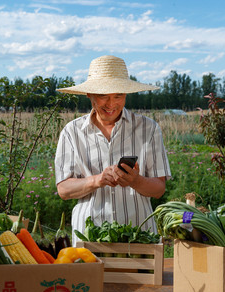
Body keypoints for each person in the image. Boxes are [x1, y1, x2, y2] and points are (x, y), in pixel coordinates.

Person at [55, 55, 172, 245]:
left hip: (139, 236)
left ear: (126, 94)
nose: (111, 104)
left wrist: (136, 181)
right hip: (88, 238)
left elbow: (159, 189)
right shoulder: (72, 132)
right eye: (103, 96)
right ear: (89, 94)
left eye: (118, 95)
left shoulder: (148, 129)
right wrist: (97, 180)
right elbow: (64, 190)